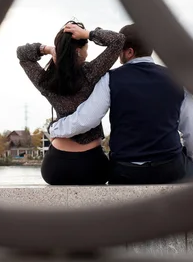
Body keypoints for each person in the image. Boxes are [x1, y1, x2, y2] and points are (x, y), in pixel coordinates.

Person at [49, 23, 193, 185]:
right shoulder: (178, 80)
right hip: (170, 168)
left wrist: (55, 128)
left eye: (120, 50)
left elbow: (85, 120)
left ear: (129, 52)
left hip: (126, 171)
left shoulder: (110, 79)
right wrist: (190, 159)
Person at [16, 20, 125, 185]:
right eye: (86, 49)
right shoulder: (90, 73)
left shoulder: (46, 81)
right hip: (92, 165)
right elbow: (118, 41)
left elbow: (22, 54)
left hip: (55, 166)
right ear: (78, 51)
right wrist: (88, 34)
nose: (87, 54)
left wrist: (47, 49)